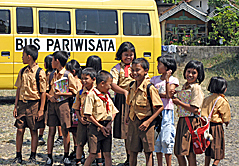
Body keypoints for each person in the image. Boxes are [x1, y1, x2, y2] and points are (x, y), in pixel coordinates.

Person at [12, 45, 46, 165]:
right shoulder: (22, 71)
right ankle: (18, 155)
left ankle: (33, 155)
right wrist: (16, 106)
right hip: (22, 104)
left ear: (29, 56)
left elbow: (43, 93)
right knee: (20, 130)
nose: (22, 57)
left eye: (23, 55)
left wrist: (41, 110)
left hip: (34, 105)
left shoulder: (40, 72)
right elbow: (18, 89)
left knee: (33, 130)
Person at [126, 58, 164, 166]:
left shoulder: (149, 87)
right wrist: (127, 115)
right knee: (132, 151)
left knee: (148, 153)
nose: (134, 73)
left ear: (146, 71)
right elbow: (129, 102)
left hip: (147, 124)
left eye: (137, 70)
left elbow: (160, 107)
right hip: (134, 122)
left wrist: (148, 122)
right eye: (132, 70)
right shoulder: (132, 86)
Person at [45, 51, 77, 166]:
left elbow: (74, 92)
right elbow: (46, 90)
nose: (51, 62)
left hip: (63, 104)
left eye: (53, 60)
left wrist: (62, 94)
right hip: (52, 105)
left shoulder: (67, 75)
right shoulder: (51, 74)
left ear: (57, 61)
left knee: (65, 130)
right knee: (51, 130)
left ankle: (66, 155)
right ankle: (49, 156)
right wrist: (50, 97)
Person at [172, 60, 205, 166]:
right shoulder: (185, 86)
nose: (190, 75)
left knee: (189, 152)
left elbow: (195, 109)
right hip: (183, 121)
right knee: (180, 151)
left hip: (191, 122)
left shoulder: (196, 88)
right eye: (188, 71)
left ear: (199, 75)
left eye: (194, 73)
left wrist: (178, 102)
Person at [83, 70, 119, 166]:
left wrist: (109, 125)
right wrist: (100, 127)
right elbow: (88, 114)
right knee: (93, 153)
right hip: (95, 127)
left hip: (106, 127)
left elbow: (113, 111)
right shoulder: (91, 95)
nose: (110, 87)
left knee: (107, 153)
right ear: (102, 83)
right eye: (109, 84)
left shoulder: (106, 96)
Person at [150, 55, 179, 166]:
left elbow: (168, 95)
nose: (157, 66)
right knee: (157, 140)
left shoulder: (173, 80)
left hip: (167, 111)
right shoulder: (154, 79)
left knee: (166, 139)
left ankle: (168, 164)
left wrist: (166, 80)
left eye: (159, 64)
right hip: (156, 111)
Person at [110, 41, 136, 165]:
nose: (129, 57)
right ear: (120, 54)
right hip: (123, 101)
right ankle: (129, 158)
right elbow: (113, 84)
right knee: (126, 131)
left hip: (136, 100)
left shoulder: (137, 66)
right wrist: (124, 92)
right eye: (126, 54)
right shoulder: (116, 68)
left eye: (131, 55)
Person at [201, 77, 231, 166]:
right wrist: (226, 122)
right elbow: (226, 117)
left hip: (207, 126)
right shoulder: (222, 100)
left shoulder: (207, 99)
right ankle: (215, 164)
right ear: (223, 88)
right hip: (216, 127)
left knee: (208, 148)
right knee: (218, 148)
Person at [73, 68, 97, 166]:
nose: (83, 81)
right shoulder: (80, 92)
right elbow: (76, 107)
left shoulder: (97, 92)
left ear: (93, 79)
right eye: (82, 78)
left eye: (86, 78)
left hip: (94, 122)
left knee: (94, 143)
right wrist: (80, 118)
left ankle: (96, 161)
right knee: (80, 142)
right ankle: (78, 160)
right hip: (82, 121)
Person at [65, 59, 83, 160]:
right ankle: (76, 149)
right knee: (73, 131)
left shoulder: (77, 81)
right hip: (73, 107)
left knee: (76, 131)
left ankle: (78, 150)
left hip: (75, 108)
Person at [38, 54, 53, 146]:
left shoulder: (48, 75)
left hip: (47, 98)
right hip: (49, 98)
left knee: (45, 118)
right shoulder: (51, 74)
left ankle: (40, 135)